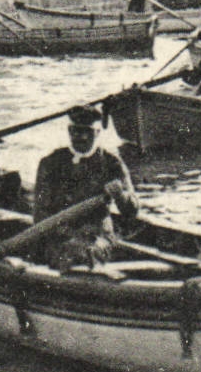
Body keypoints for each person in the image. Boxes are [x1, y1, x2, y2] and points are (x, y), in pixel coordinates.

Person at [31, 105, 138, 269]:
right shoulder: (51, 162)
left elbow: (132, 211)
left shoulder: (112, 163)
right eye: (75, 131)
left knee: (89, 252)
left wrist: (120, 195)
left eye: (87, 132)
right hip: (58, 234)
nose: (80, 137)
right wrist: (66, 233)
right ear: (69, 131)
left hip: (98, 235)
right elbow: (40, 213)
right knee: (68, 252)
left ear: (97, 132)